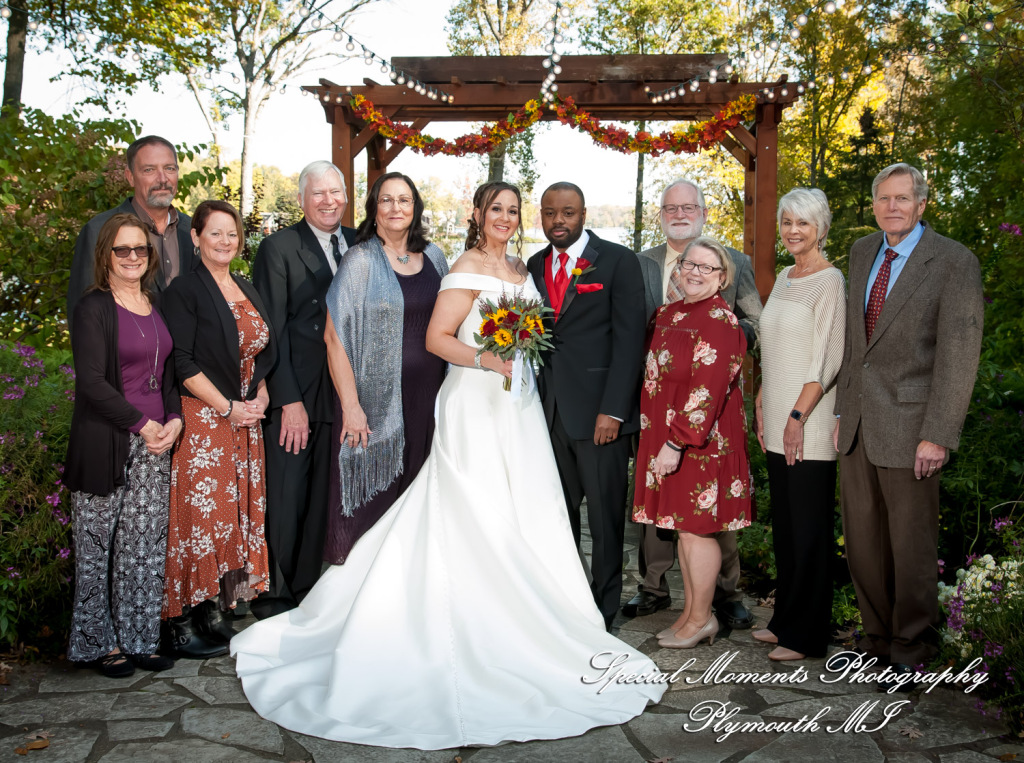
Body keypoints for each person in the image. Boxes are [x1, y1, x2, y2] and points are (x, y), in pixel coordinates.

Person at [230, 180, 664, 748]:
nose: (505, 218)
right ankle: (460, 624)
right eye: (496, 210)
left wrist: (516, 362)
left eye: (512, 210)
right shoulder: (461, 266)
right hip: (475, 403)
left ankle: (533, 619)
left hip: (520, 409)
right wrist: (487, 358)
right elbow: (436, 338)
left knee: (525, 511)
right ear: (478, 214)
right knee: (470, 511)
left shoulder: (524, 269)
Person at [834, 163, 983, 688]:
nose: (892, 207)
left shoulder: (953, 262)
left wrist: (939, 432)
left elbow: (959, 355)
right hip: (857, 424)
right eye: (883, 199)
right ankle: (875, 639)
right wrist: (840, 412)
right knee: (863, 543)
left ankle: (910, 645)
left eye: (903, 198)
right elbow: (857, 347)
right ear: (873, 205)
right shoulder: (861, 253)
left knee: (911, 545)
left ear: (922, 204)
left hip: (914, 425)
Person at [629, 178, 762, 629]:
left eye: (689, 206)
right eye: (671, 207)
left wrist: (716, 338)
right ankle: (656, 588)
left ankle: (719, 598)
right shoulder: (643, 267)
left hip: (701, 424)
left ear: (703, 212)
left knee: (704, 520)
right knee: (667, 516)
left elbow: (752, 325)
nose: (680, 213)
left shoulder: (730, 273)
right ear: (661, 214)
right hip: (659, 416)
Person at [64, 213, 182, 676]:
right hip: (107, 443)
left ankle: (139, 639)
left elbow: (168, 373)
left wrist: (172, 419)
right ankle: (98, 644)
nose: (133, 257)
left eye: (140, 249)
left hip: (156, 442)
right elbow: (91, 382)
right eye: (122, 250)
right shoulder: (93, 308)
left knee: (144, 547)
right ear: (106, 256)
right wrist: (143, 425)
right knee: (97, 549)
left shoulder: (155, 304)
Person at [526, 182, 647, 630]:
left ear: (583, 214)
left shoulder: (617, 261)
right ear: (541, 215)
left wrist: (614, 411)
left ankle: (603, 608)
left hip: (600, 416)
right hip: (547, 414)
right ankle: (568, 600)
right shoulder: (534, 266)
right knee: (557, 517)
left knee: (604, 518)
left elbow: (630, 340)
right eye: (550, 212)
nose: (559, 220)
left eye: (569, 212)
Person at [161, 200, 276, 657]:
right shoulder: (183, 291)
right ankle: (180, 620)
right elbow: (183, 363)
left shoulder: (245, 287)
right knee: (200, 520)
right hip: (207, 421)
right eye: (215, 233)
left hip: (246, 421)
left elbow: (259, 352)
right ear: (196, 237)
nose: (225, 241)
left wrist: (261, 397)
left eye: (232, 234)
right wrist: (228, 407)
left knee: (231, 520)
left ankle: (213, 610)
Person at [250, 161, 357, 619]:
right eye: (318, 193)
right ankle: (275, 592)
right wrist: (287, 399)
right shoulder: (278, 247)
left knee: (323, 492)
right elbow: (269, 329)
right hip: (297, 387)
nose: (329, 200)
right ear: (301, 200)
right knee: (288, 491)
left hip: (342, 386)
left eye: (336, 192)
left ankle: (311, 586)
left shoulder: (359, 244)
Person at [322, 172, 447, 562]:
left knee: (418, 497)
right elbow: (333, 338)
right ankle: (359, 592)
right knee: (373, 503)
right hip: (375, 404)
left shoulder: (437, 258)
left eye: (404, 200)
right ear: (374, 209)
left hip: (429, 399)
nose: (396, 208)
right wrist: (352, 406)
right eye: (387, 200)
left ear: (415, 208)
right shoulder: (360, 260)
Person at [752, 188, 846, 661]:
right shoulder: (787, 277)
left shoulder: (830, 281)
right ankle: (784, 619)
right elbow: (776, 346)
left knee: (809, 528)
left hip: (807, 421)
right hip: (779, 415)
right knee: (786, 525)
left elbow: (827, 360)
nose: (792, 230)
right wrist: (766, 393)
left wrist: (795, 416)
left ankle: (805, 635)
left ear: (821, 228)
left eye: (802, 223)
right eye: (786, 221)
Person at [68, 136, 196, 328]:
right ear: (130, 176)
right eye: (149, 170)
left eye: (169, 168)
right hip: (126, 355)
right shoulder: (98, 230)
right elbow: (83, 315)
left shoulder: (194, 230)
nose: (162, 179)